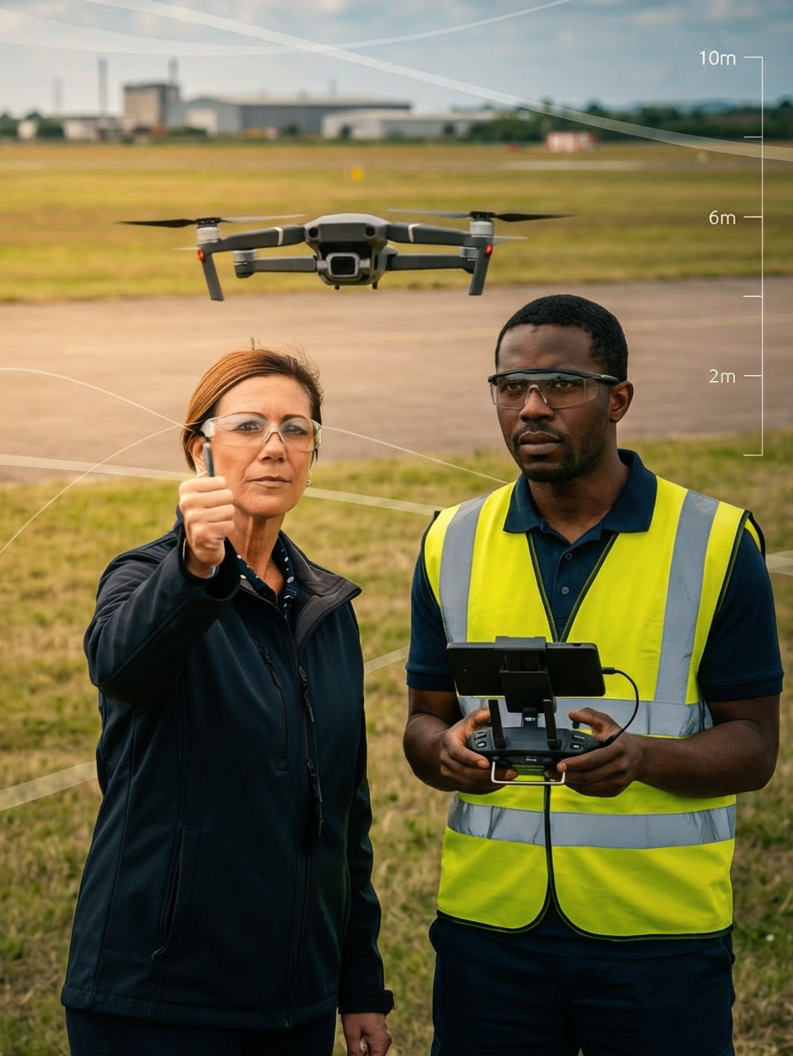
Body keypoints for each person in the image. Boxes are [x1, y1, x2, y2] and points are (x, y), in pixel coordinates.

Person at [403, 294, 783, 1056]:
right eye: (511, 388)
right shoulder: (452, 539)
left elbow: (753, 746)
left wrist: (644, 757)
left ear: (617, 400)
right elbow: (423, 721)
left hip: (658, 938)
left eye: (560, 386)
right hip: (489, 935)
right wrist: (441, 754)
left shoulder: (711, 542)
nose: (532, 408)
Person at [62, 348, 393, 1056]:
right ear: (198, 448)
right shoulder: (146, 578)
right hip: (158, 998)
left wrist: (357, 982)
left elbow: (342, 811)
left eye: (296, 429)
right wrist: (194, 566)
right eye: (248, 425)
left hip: (292, 1003)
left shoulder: (327, 607)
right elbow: (120, 666)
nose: (275, 446)